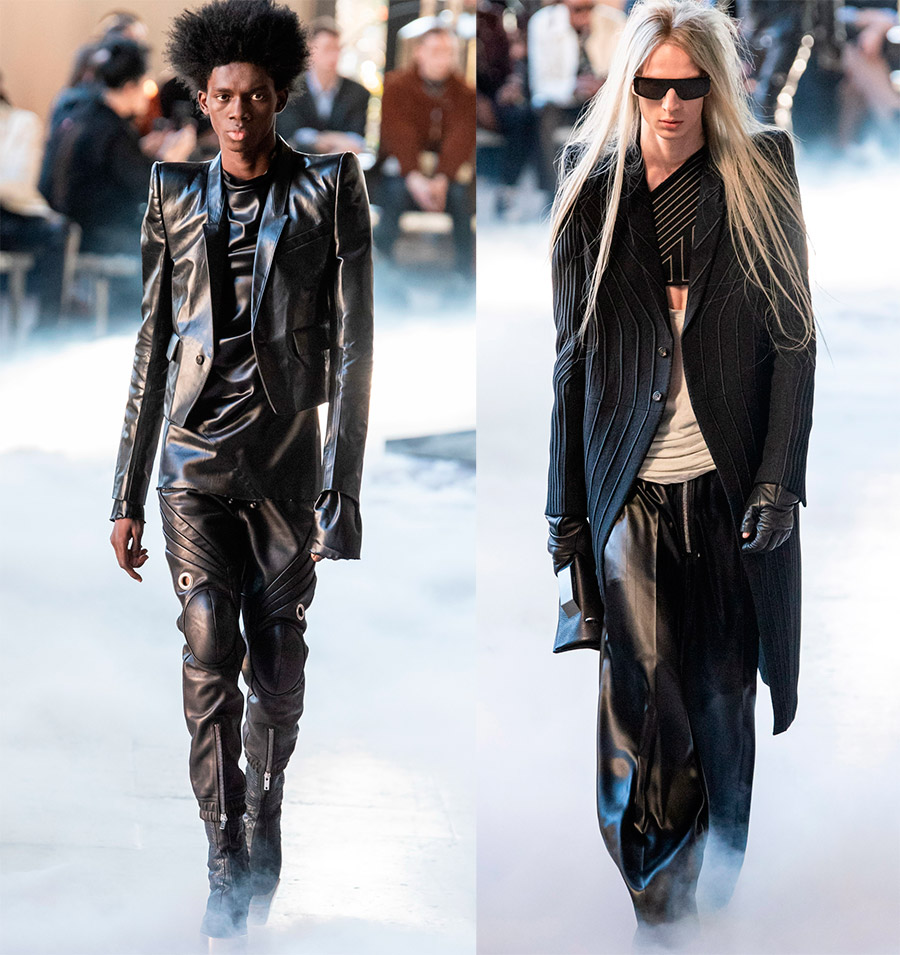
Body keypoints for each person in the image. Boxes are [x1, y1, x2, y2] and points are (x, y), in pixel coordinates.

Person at [545, 0, 815, 944]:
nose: (669, 105)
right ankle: (660, 908)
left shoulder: (760, 171)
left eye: (687, 87)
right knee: (644, 700)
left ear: (715, 88)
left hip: (731, 486)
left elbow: (795, 341)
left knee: (721, 700)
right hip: (629, 490)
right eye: (652, 86)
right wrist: (563, 515)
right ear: (627, 87)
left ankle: (710, 872)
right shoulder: (592, 188)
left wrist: (780, 479)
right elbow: (571, 363)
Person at [107, 0, 373, 942]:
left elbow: (355, 350)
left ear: (279, 97)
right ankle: (224, 850)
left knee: (280, 666)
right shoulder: (173, 190)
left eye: (254, 96)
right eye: (221, 96)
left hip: (288, 464)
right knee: (209, 637)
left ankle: (266, 800)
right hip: (191, 459)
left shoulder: (330, 186)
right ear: (202, 96)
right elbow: (151, 345)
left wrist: (343, 488)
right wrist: (125, 492)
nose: (236, 111)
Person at [376, 24, 476, 277]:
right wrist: (414, 176)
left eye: (448, 52)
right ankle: (383, 268)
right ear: (419, 52)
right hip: (404, 171)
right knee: (394, 193)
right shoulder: (397, 86)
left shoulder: (464, 93)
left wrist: (442, 177)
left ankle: (463, 274)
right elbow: (398, 133)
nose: (443, 58)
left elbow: (460, 137)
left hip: (446, 175)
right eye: (436, 51)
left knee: (461, 199)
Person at [276, 17, 370, 155]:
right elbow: (290, 135)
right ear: (310, 50)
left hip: (342, 164)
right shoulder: (289, 89)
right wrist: (333, 141)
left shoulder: (358, 92)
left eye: (337, 49)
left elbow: (357, 138)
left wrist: (318, 139)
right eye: (327, 48)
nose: (333, 55)